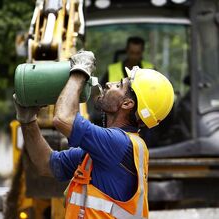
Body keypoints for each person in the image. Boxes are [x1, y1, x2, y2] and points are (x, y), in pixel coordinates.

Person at [13, 51, 174, 218]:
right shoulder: (106, 150)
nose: (109, 84)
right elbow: (47, 164)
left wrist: (80, 71)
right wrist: (28, 121)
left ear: (127, 103)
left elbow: (63, 119)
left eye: (119, 85)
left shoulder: (118, 143)